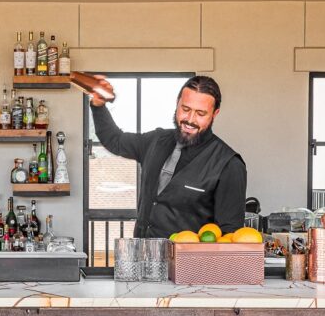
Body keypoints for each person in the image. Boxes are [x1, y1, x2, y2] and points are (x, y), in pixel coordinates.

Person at [87, 74, 247, 238]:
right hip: (143, 258)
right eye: (185, 109)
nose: (190, 120)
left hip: (189, 263)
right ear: (177, 104)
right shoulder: (155, 141)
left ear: (214, 114)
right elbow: (115, 140)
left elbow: (230, 239)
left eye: (200, 113)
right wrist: (98, 106)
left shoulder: (229, 165)